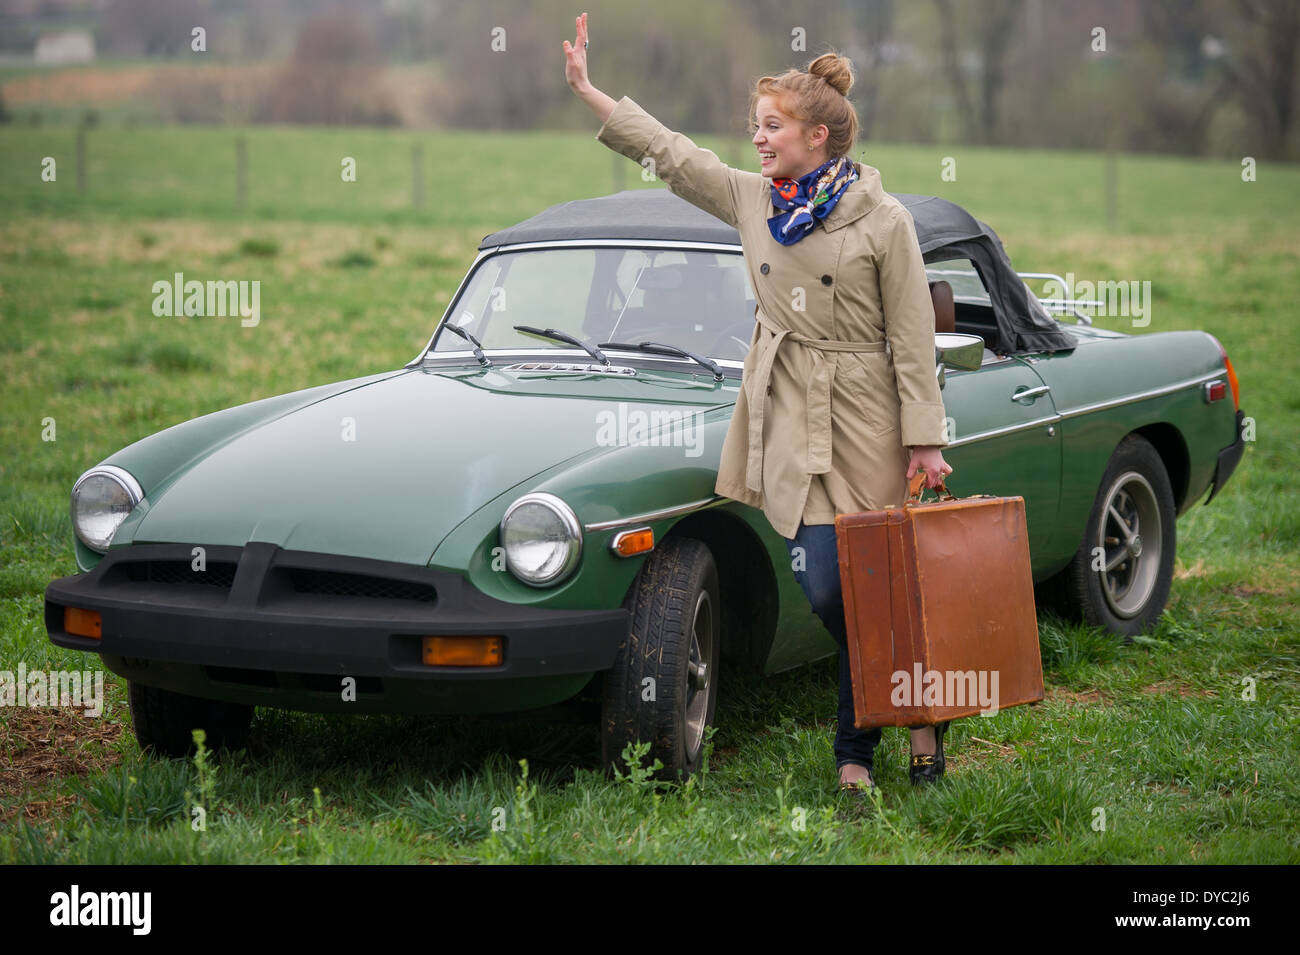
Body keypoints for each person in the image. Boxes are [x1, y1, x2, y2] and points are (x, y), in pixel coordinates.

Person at [564, 12, 953, 792]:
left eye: (772, 126)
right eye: (756, 127)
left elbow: (913, 339)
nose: (759, 140)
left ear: (819, 135)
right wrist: (588, 90)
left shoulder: (886, 220)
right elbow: (671, 154)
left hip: (866, 422)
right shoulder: (754, 199)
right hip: (783, 412)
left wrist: (925, 441)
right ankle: (916, 709)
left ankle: (857, 758)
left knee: (872, 587)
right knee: (827, 586)